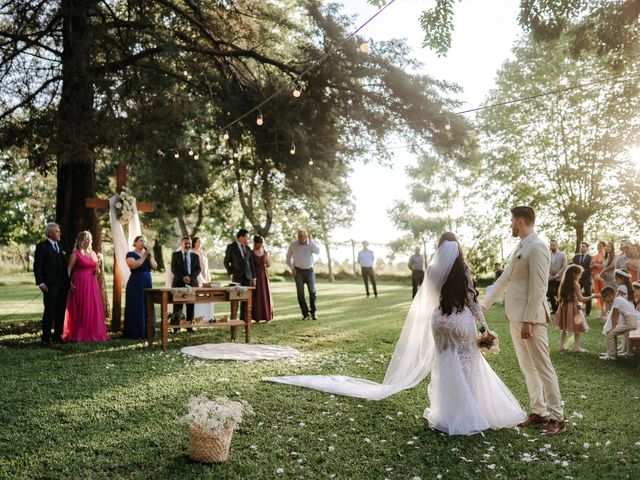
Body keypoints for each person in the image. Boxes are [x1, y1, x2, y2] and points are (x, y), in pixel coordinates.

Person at [266, 232, 526, 436]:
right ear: (458, 248)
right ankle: (469, 414)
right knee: (467, 367)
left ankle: (448, 415)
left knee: (446, 367)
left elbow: (429, 300)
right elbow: (471, 302)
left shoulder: (434, 270)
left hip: (439, 322)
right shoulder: (465, 271)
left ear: (439, 248)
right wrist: (484, 326)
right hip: (460, 323)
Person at [482, 206, 565, 435]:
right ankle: (539, 411)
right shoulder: (521, 246)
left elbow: (540, 287)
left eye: (511, 221)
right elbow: (503, 280)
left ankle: (557, 417)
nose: (510, 224)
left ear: (519, 221)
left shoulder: (538, 246)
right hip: (516, 317)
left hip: (531, 319)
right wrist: (482, 306)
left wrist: (529, 320)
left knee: (543, 367)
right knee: (528, 367)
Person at [62, 231, 109, 342]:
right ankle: (79, 332)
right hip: (80, 282)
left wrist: (97, 269)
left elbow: (95, 269)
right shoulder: (76, 254)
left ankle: (91, 332)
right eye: (83, 239)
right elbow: (69, 269)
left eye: (88, 239)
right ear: (79, 241)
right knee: (81, 307)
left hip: (92, 284)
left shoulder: (93, 253)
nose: (86, 242)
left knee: (92, 307)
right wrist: (68, 282)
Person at [33, 223, 70, 346]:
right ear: (50, 233)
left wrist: (68, 283)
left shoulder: (59, 246)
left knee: (60, 311)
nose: (60, 233)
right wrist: (40, 282)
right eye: (57, 232)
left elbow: (63, 266)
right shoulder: (42, 246)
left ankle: (57, 336)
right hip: (49, 285)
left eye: (59, 231)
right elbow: (37, 266)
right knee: (49, 311)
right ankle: (46, 337)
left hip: (62, 285)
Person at [555, 265, 597, 353]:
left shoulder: (564, 282)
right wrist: (593, 296)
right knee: (578, 327)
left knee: (564, 327)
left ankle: (561, 346)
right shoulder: (575, 284)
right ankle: (577, 348)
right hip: (573, 308)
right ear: (574, 274)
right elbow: (581, 298)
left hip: (564, 307)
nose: (580, 276)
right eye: (579, 274)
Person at [122, 235, 157, 339]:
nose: (143, 243)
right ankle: (135, 332)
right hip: (136, 282)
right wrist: (144, 257)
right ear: (135, 242)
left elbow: (155, 266)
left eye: (145, 241)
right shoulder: (130, 254)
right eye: (141, 241)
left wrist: (149, 257)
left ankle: (148, 331)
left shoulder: (147, 254)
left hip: (147, 281)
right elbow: (133, 265)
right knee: (136, 305)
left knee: (148, 305)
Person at [286, 229, 320, 320]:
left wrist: (311, 241)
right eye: (298, 236)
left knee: (312, 292)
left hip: (309, 271)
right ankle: (305, 314)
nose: (300, 238)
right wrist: (292, 269)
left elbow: (317, 251)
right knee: (300, 294)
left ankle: (313, 312)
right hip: (298, 272)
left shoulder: (311, 244)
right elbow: (288, 259)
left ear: (306, 236)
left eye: (301, 236)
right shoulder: (293, 245)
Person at [599, 285, 639, 361]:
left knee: (610, 334)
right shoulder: (618, 299)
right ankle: (612, 353)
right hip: (632, 320)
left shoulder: (617, 300)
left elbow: (614, 315)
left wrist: (612, 328)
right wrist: (613, 328)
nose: (603, 300)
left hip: (632, 321)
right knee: (612, 333)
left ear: (610, 296)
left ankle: (612, 355)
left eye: (604, 298)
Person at [224, 229, 256, 320]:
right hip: (237, 277)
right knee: (235, 297)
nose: (247, 239)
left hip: (248, 277)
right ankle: (233, 318)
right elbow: (226, 262)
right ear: (241, 237)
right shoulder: (231, 247)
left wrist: (254, 277)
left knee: (245, 299)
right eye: (246, 237)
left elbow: (251, 264)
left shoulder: (248, 248)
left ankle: (244, 318)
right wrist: (230, 272)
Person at [171, 236, 201, 332]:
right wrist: (183, 278)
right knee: (177, 306)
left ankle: (189, 327)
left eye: (189, 243)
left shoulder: (196, 256)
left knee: (190, 305)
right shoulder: (175, 255)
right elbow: (174, 269)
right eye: (186, 243)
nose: (188, 245)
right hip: (178, 283)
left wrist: (190, 277)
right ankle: (176, 327)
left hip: (192, 283)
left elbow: (198, 269)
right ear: (181, 244)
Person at [252, 234, 273, 322]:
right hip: (256, 275)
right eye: (259, 243)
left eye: (262, 243)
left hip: (263, 275)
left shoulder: (264, 251)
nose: (261, 245)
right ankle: (257, 317)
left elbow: (268, 263)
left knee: (265, 294)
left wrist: (265, 267)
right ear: (255, 243)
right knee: (257, 295)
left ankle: (267, 315)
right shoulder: (251, 252)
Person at [192, 236, 214, 322]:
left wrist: (208, 276)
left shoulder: (203, 253)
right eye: (198, 241)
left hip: (205, 275)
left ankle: (205, 316)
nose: (200, 243)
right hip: (197, 276)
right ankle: (196, 316)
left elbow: (206, 266)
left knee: (205, 296)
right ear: (194, 242)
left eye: (200, 241)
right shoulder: (192, 252)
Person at [547, 239, 567, 315]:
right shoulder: (548, 254)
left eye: (553, 245)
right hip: (550, 278)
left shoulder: (562, 255)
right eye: (551, 245)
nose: (552, 246)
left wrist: (557, 275)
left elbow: (564, 266)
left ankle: (559, 309)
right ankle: (554, 308)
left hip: (559, 278)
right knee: (549, 293)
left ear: (557, 245)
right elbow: (546, 265)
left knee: (559, 294)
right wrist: (549, 275)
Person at [572, 242, 592, 316]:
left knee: (588, 294)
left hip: (587, 278)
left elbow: (590, 269)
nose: (581, 248)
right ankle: (575, 309)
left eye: (583, 247)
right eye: (581, 247)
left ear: (587, 248)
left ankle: (588, 312)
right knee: (574, 293)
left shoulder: (590, 257)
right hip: (577, 279)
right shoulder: (576, 257)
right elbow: (573, 267)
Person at [590, 240, 606, 316]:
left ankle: (605, 310)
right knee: (598, 292)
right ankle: (602, 310)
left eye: (600, 246)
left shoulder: (604, 255)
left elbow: (604, 266)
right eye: (597, 245)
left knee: (604, 291)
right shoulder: (595, 256)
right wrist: (593, 266)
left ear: (604, 247)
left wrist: (596, 265)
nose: (598, 247)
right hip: (595, 275)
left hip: (602, 275)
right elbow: (590, 266)